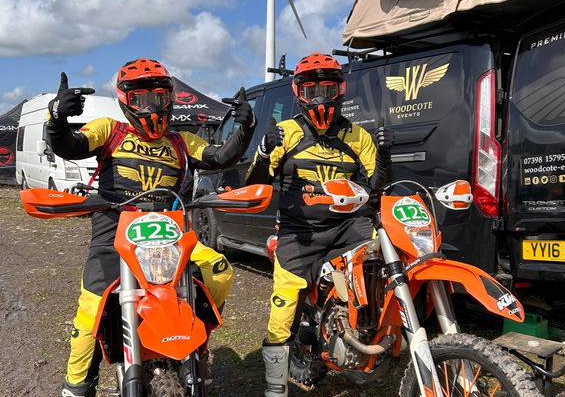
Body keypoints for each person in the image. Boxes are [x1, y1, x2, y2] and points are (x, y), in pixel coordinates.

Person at [46, 58, 256, 397]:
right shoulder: (108, 130)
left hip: (171, 233)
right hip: (115, 233)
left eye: (159, 98)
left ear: (170, 99)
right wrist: (57, 117)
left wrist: (244, 129)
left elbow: (219, 156)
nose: (152, 108)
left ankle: (198, 332)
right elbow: (69, 145)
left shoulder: (182, 141)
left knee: (219, 270)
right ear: (125, 101)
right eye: (142, 100)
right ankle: (76, 389)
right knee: (89, 313)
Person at [245, 53, 394, 397]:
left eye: (329, 89)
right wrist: (266, 153)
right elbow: (256, 184)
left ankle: (366, 338)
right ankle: (274, 385)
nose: (321, 100)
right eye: (312, 91)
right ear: (298, 93)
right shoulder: (285, 132)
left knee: (382, 273)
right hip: (300, 233)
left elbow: (379, 186)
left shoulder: (359, 136)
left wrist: (385, 157)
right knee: (283, 314)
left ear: (341, 91)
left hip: (349, 228)